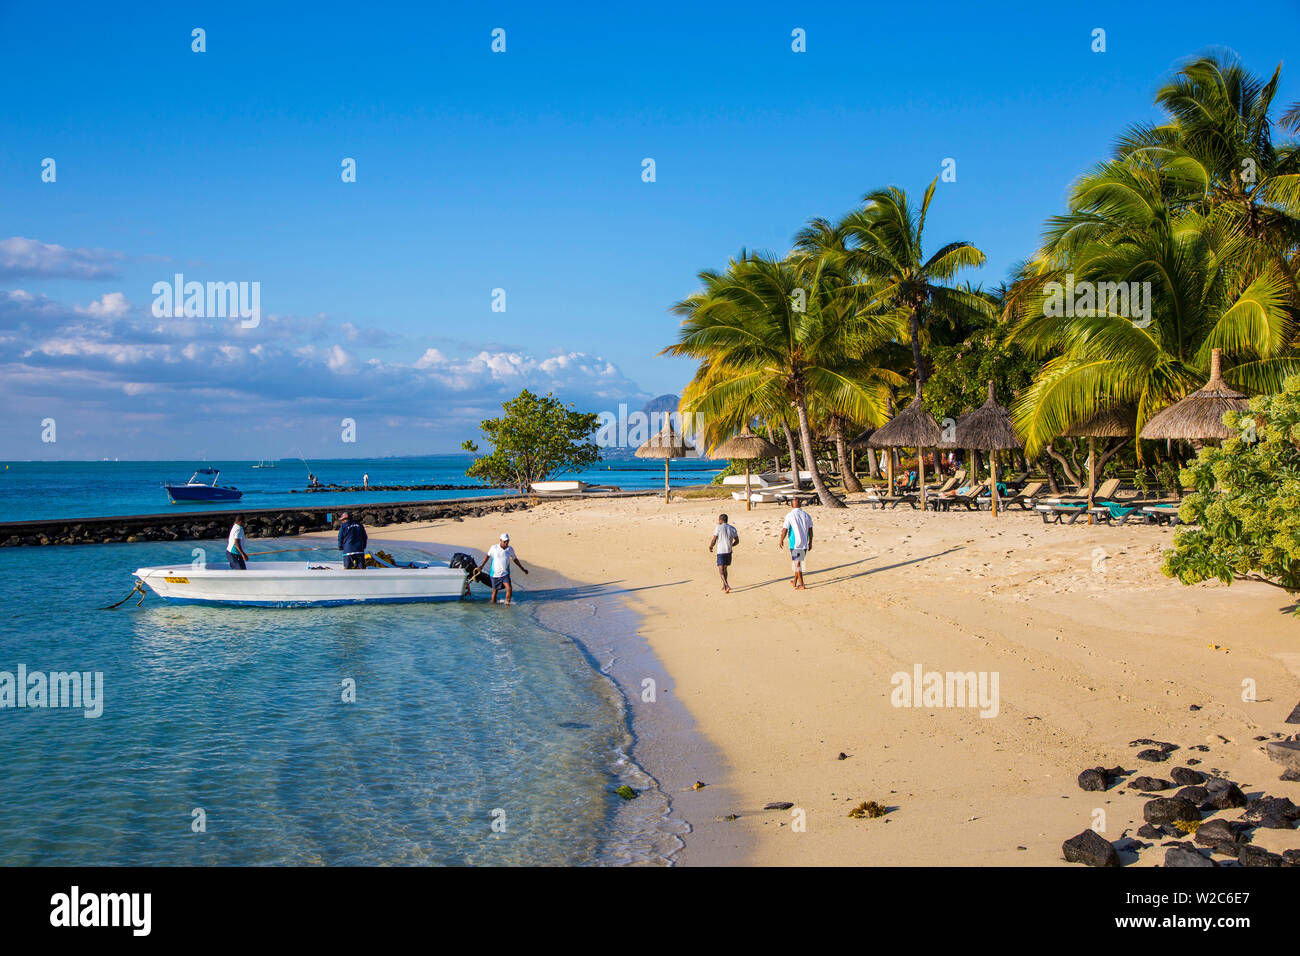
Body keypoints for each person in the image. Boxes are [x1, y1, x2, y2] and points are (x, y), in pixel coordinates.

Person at [477, 533, 529, 605]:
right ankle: (493, 605)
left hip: (505, 573)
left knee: (509, 588)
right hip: (495, 574)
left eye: (507, 541)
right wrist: (481, 566)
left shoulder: (510, 549)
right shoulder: (494, 548)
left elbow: (515, 559)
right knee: (495, 591)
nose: (506, 543)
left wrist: (522, 568)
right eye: (504, 541)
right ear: (500, 540)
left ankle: (507, 604)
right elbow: (487, 557)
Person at [776, 497, 813, 589]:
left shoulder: (790, 515)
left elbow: (785, 529)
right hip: (804, 542)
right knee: (799, 562)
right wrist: (810, 542)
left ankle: (801, 584)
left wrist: (781, 540)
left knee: (797, 564)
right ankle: (795, 581)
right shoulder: (806, 515)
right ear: (800, 504)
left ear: (792, 505)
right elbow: (810, 530)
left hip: (794, 542)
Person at [708, 513, 739, 593]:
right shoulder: (732, 528)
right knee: (725, 569)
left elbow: (714, 539)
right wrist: (731, 545)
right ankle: (724, 586)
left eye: (719, 520)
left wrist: (711, 546)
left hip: (721, 551)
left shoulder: (718, 528)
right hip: (728, 551)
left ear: (721, 520)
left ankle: (726, 584)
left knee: (721, 570)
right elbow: (737, 541)